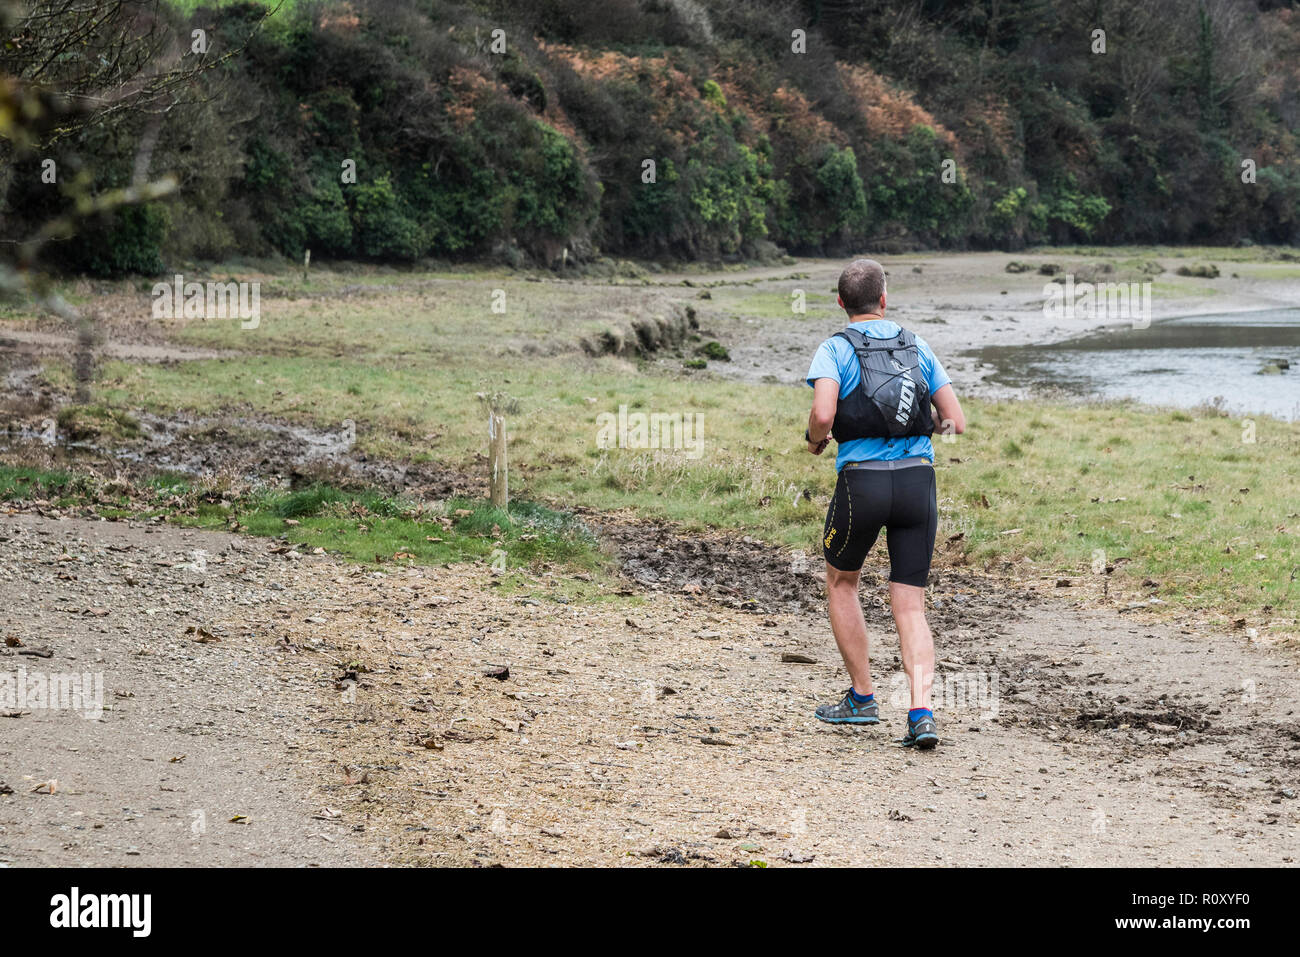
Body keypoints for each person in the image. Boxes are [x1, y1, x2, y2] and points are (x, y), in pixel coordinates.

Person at [804, 258, 966, 750]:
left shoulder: (834, 349)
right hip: (918, 483)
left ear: (840, 302)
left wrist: (815, 441)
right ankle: (921, 714)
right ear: (884, 298)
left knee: (841, 581)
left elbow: (823, 412)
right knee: (909, 604)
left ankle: (862, 698)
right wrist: (922, 424)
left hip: (862, 484)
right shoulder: (917, 344)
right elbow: (955, 419)